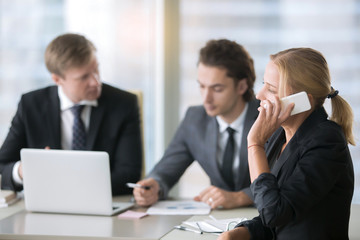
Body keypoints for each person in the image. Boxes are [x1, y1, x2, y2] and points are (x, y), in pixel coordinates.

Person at [218, 48, 355, 240]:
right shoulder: (281, 135)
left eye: (271, 89)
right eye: (264, 84)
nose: (259, 95)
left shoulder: (327, 141)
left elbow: (275, 213)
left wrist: (255, 144)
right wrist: (243, 231)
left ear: (302, 101)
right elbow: (281, 211)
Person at [0, 33, 142, 195]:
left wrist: (67, 184)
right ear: (57, 79)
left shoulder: (123, 104)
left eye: (96, 69)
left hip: (103, 202)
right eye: (84, 77)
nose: (96, 82)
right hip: (46, 204)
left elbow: (129, 174)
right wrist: (22, 171)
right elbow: (2, 167)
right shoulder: (31, 105)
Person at [134, 39, 259, 209]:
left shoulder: (267, 118)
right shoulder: (195, 118)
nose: (206, 98)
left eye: (217, 89)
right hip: (217, 221)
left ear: (242, 86)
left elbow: (284, 181)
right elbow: (166, 169)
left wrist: (239, 197)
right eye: (202, 86)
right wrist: (154, 186)